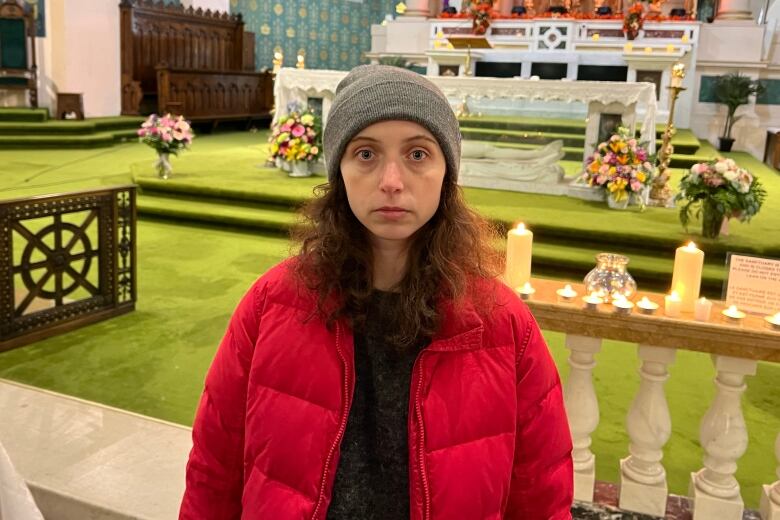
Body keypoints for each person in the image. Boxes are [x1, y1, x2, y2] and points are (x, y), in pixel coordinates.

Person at [179, 65, 573, 519]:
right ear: (339, 172)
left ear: (447, 173)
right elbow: (214, 469)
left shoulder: (503, 325)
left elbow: (541, 497)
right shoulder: (272, 304)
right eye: (365, 154)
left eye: (418, 154)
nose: (391, 180)